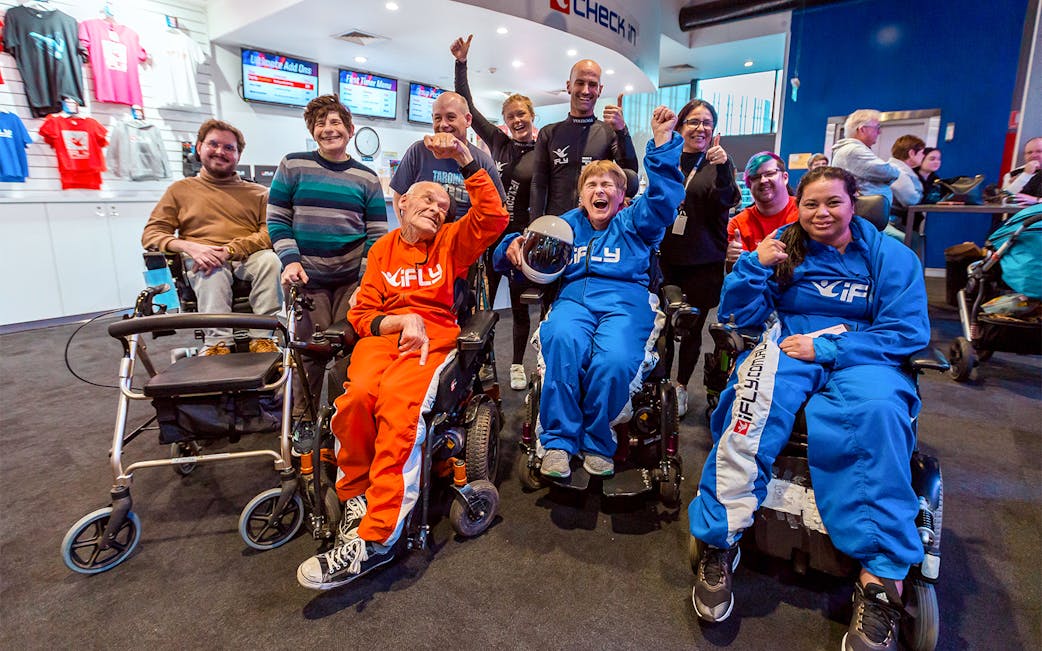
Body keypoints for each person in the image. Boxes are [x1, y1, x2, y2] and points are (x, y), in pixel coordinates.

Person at [688, 166, 930, 651]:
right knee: (751, 403)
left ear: (854, 203)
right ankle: (719, 539)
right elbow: (737, 315)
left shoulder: (890, 256)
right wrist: (754, 267)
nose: (822, 213)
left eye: (833, 202)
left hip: (864, 353)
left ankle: (879, 579)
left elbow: (906, 331)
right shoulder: (783, 246)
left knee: (877, 414)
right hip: (789, 342)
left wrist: (828, 349)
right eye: (812, 204)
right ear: (798, 205)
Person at [295, 133, 509, 590]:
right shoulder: (383, 249)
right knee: (355, 400)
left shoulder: (451, 242)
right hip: (385, 337)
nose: (437, 208)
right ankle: (356, 496)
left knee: (397, 406)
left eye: (443, 207)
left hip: (432, 340)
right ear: (402, 203)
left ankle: (378, 538)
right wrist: (396, 321)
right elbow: (361, 314)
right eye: (427, 200)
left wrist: (465, 158)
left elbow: (494, 216)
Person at [494, 106, 685, 478]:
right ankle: (558, 442)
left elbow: (664, 200)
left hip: (626, 301)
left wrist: (662, 143)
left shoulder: (636, 221)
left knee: (613, 361)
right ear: (580, 196)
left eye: (608, 185)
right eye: (591, 185)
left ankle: (598, 441)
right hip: (575, 299)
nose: (600, 190)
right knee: (561, 341)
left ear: (622, 195)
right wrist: (510, 247)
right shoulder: (564, 226)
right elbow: (517, 249)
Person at [266, 95, 388, 446]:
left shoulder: (366, 177)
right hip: (308, 280)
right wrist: (290, 260)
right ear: (312, 131)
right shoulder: (293, 165)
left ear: (350, 130)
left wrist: (366, 279)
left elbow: (376, 234)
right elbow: (277, 219)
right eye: (321, 123)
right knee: (309, 352)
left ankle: (344, 418)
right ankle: (304, 420)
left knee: (352, 351)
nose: (328, 129)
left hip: (351, 281)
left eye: (335, 122)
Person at [142, 119, 280, 354]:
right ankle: (218, 343)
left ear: (238, 155)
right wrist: (190, 247)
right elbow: (152, 234)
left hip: (246, 256)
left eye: (229, 147)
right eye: (213, 144)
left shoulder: (259, 193)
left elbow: (269, 233)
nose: (220, 151)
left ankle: (263, 338)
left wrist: (230, 250)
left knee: (270, 261)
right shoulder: (180, 190)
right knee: (210, 268)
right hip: (202, 257)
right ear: (199, 147)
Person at [451, 34, 539, 391]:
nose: (516, 120)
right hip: (490, 236)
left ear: (532, 116)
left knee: (519, 306)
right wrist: (461, 64)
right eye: (510, 116)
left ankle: (517, 363)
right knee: (483, 304)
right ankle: (483, 363)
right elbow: (468, 106)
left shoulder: (544, 149)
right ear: (504, 121)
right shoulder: (499, 143)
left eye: (521, 114)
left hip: (521, 239)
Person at [658, 99, 741, 418]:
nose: (700, 128)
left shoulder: (719, 162)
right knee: (664, 327)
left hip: (704, 262)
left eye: (707, 122)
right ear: (680, 126)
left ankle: (681, 386)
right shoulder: (670, 160)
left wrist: (724, 167)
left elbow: (726, 200)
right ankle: (662, 384)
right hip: (667, 259)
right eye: (693, 121)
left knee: (692, 331)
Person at [529, 58, 638, 219]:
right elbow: (539, 184)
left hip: (596, 224)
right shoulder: (548, 133)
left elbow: (630, 174)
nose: (586, 90)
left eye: (592, 84)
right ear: (569, 86)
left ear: (600, 89)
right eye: (580, 83)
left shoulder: (608, 132)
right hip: (558, 225)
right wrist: (536, 224)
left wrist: (622, 131)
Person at [389, 91, 506, 216]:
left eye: (451, 117)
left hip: (465, 228)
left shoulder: (483, 161)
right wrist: (406, 228)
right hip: (423, 228)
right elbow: (399, 197)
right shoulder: (418, 152)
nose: (443, 124)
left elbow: (499, 209)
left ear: (468, 120)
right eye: (437, 118)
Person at [726, 151, 798, 264]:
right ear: (749, 185)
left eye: (769, 174)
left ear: (785, 178)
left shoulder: (806, 212)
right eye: (755, 177)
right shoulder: (738, 225)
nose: (763, 180)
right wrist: (732, 259)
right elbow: (737, 272)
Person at [831, 109, 899, 213]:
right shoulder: (854, 150)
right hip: (864, 214)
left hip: (869, 212)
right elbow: (888, 172)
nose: (879, 132)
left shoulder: (855, 149)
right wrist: (894, 172)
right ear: (862, 129)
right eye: (877, 127)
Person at [887, 134, 926, 212]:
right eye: (922, 152)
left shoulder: (891, 168)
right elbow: (912, 200)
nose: (924, 155)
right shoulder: (898, 172)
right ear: (911, 153)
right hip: (892, 217)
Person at [1001, 136, 1042, 205]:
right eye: (1029, 152)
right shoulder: (1013, 174)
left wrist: (1037, 200)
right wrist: (1026, 175)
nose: (1033, 155)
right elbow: (1006, 199)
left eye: (1039, 151)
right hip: (1019, 211)